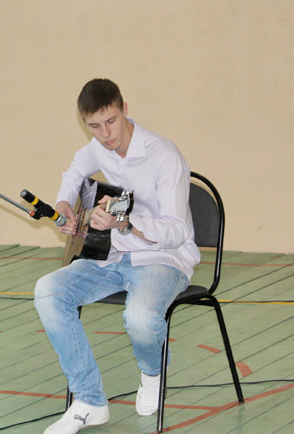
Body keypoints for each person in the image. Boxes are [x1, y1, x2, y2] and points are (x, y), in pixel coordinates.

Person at [34, 78, 200, 433]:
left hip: (163, 257)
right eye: (94, 126)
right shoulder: (97, 147)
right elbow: (74, 171)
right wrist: (64, 202)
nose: (105, 133)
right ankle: (89, 401)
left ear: (124, 110)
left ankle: (153, 372)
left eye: (110, 121)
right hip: (111, 256)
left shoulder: (164, 154)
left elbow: (177, 231)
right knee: (48, 291)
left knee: (139, 318)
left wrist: (125, 222)